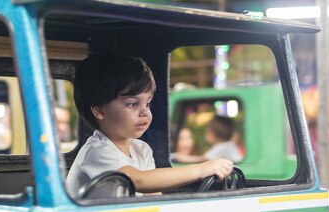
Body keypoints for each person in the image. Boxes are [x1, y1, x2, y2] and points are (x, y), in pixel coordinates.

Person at [65, 53, 234, 198]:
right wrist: (200, 170)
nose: (145, 112)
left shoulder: (141, 149)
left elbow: (152, 196)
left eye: (148, 104)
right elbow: (138, 181)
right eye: (132, 104)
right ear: (99, 111)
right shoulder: (96, 151)